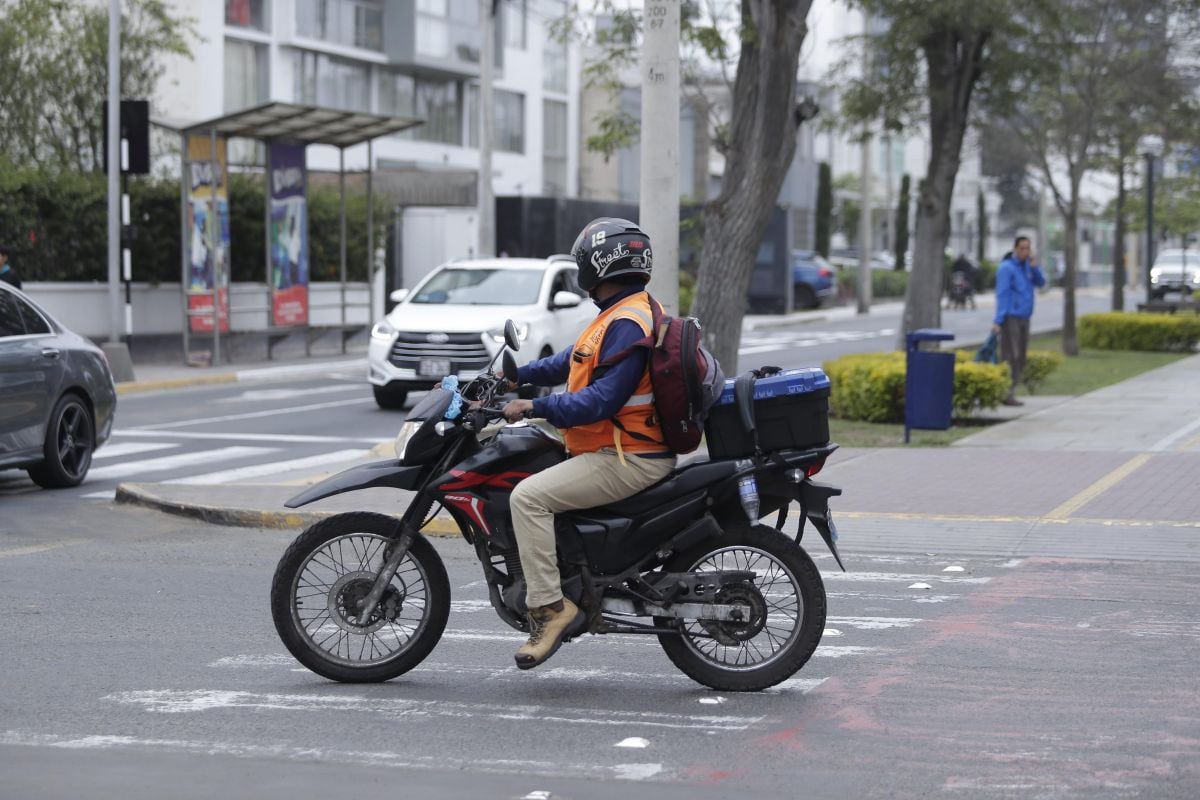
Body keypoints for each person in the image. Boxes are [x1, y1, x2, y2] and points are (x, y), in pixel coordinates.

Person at [500, 218, 676, 670]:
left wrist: (535, 408)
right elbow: (571, 361)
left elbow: (601, 401)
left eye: (582, 261)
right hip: (616, 447)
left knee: (527, 499)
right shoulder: (622, 311)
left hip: (627, 456)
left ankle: (550, 609)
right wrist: (517, 375)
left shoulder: (627, 321)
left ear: (599, 264)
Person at [992, 236, 1046, 406]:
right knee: (1010, 355)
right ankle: (1005, 391)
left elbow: (1041, 282)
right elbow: (1003, 294)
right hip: (1010, 317)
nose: (1025, 252)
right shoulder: (1007, 268)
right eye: (1022, 248)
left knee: (1020, 356)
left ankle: (1011, 390)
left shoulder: (1028, 268)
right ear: (1015, 249)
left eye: (1028, 248)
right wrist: (998, 319)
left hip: (1024, 316)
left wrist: (1035, 268)